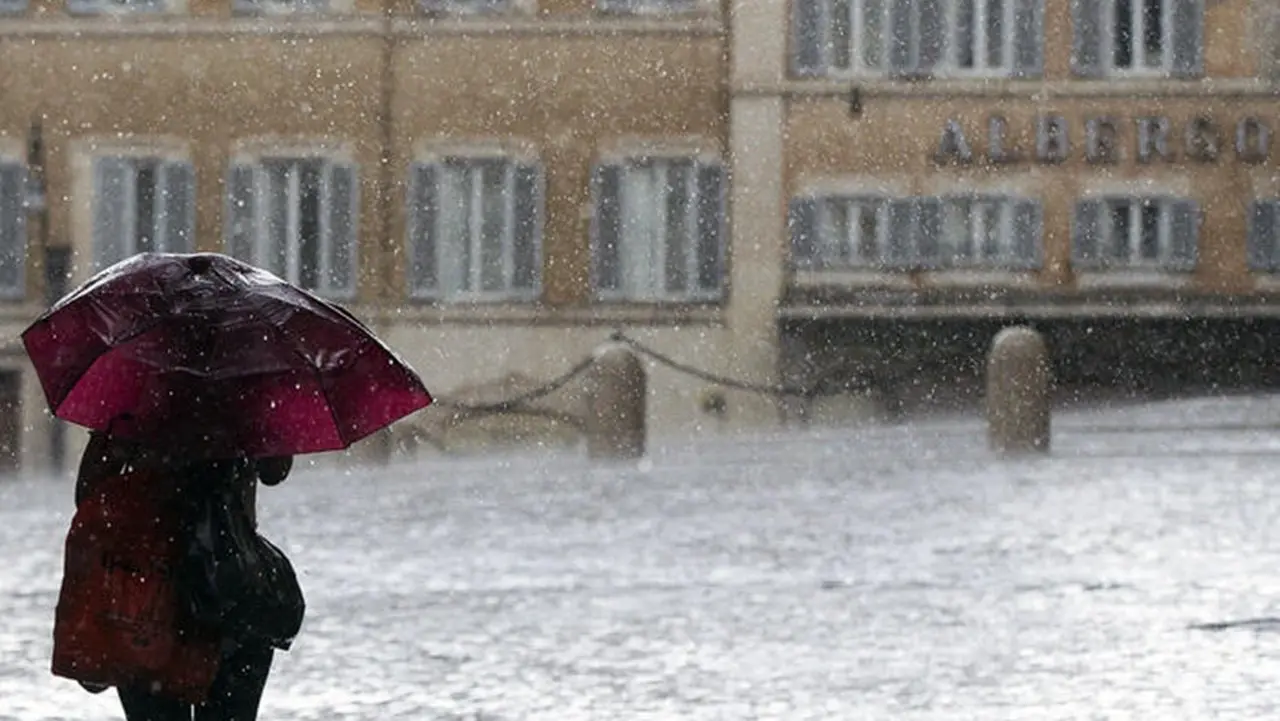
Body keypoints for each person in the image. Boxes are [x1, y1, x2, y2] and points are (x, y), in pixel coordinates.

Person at [70, 429, 296, 721]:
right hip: (230, 584)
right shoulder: (245, 393)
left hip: (151, 592)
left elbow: (89, 493)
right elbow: (275, 470)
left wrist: (120, 439)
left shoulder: (138, 398)